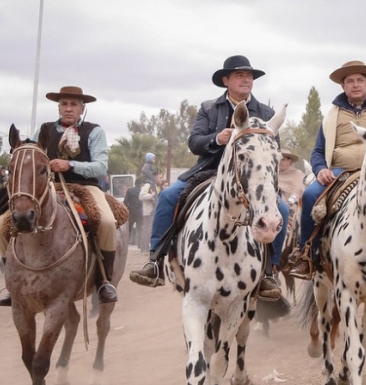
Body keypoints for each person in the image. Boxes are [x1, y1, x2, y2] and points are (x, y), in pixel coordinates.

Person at [129, 55, 289, 300]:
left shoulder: (266, 112)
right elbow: (194, 142)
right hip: (208, 171)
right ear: (226, 80)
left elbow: (272, 148)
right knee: (169, 196)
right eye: (239, 75)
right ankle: (156, 261)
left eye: (249, 76)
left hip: (250, 179)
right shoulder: (208, 108)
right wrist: (217, 139)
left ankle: (269, 271)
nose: (246, 80)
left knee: (283, 210)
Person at [0, 85, 119, 306]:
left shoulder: (94, 131)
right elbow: (30, 154)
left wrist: (69, 164)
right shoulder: (45, 129)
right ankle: (12, 284)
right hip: (48, 188)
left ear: (82, 108)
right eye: (64, 104)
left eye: (73, 104)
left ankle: (104, 281)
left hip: (85, 187)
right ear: (59, 107)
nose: (68, 108)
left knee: (106, 222)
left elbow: (100, 167)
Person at [287, 60, 366, 280]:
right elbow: (318, 152)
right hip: (341, 172)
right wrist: (320, 169)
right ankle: (307, 254)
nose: (355, 85)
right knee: (310, 195)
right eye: (350, 81)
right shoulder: (332, 115)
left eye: (360, 80)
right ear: (343, 86)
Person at [138, 172, 162, 253]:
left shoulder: (155, 186)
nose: (160, 179)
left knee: (150, 230)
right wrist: (151, 196)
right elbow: (141, 196)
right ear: (155, 177)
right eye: (159, 177)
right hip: (148, 212)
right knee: (147, 230)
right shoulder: (148, 185)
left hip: (153, 211)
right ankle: (144, 248)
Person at [123, 177, 143, 247]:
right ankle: (140, 244)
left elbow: (125, 202)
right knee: (140, 228)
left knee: (129, 228)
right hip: (140, 212)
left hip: (131, 212)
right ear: (141, 184)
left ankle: (125, 243)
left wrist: (128, 208)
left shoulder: (130, 190)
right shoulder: (142, 191)